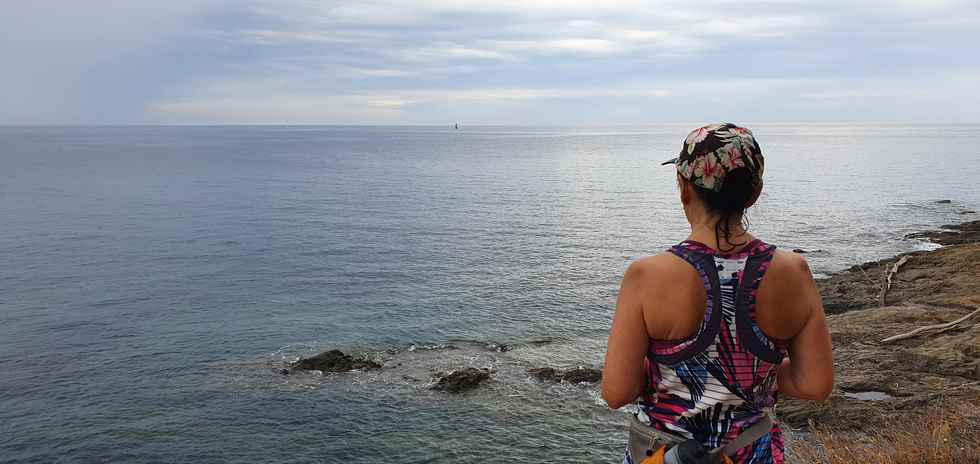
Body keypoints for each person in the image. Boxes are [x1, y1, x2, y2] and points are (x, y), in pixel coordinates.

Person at [601, 123, 833, 464]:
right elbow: (814, 384)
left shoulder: (647, 275)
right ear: (755, 193)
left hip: (665, 454)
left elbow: (617, 392)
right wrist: (756, 375)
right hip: (754, 455)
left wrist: (668, 371)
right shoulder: (793, 272)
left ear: (684, 188)